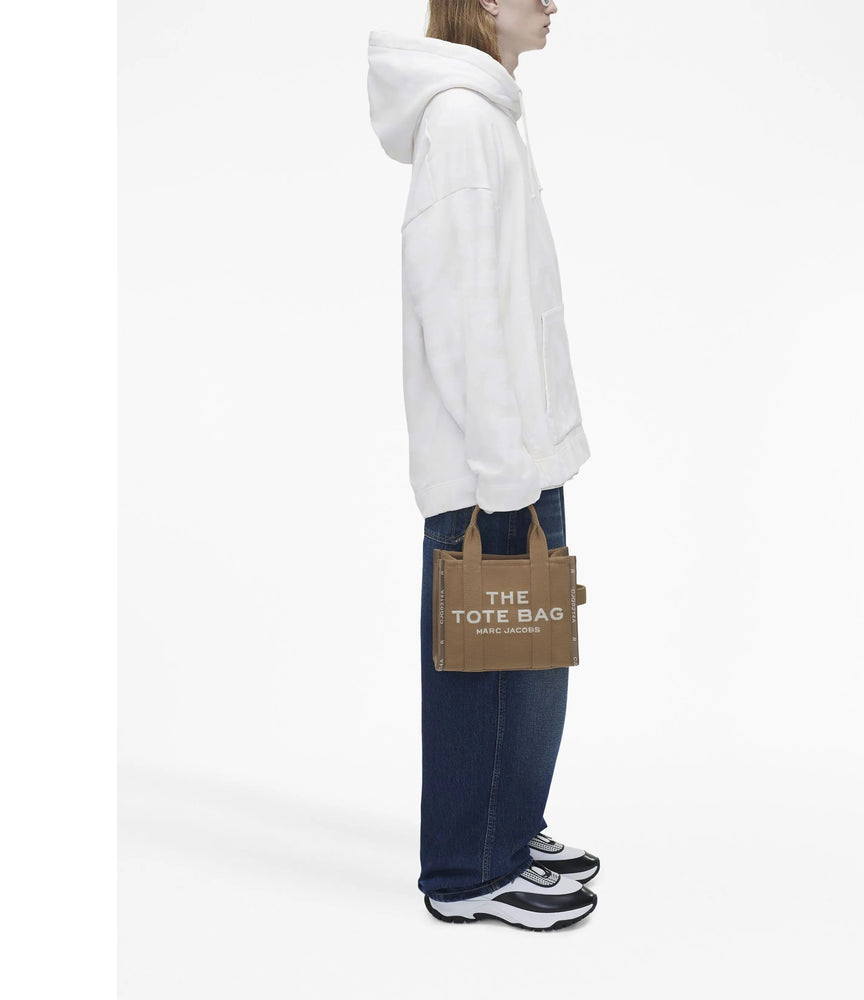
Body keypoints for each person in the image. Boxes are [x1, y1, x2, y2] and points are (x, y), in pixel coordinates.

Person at [367, 1, 598, 931]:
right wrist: (505, 466)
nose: (554, 4)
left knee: (529, 657)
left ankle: (508, 827)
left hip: (516, 448)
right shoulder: (462, 121)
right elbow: (458, 308)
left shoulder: (488, 111)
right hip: (490, 461)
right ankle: (470, 870)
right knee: (485, 666)